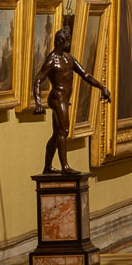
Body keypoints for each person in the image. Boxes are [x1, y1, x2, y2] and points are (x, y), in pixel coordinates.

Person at [31, 26, 110, 175]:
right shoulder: (52, 60)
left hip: (65, 99)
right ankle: (65, 167)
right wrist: (38, 103)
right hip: (57, 98)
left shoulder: (69, 58)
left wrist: (102, 87)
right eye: (68, 40)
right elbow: (37, 81)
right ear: (62, 41)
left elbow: (86, 75)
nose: (70, 43)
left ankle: (47, 166)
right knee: (64, 130)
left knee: (56, 133)